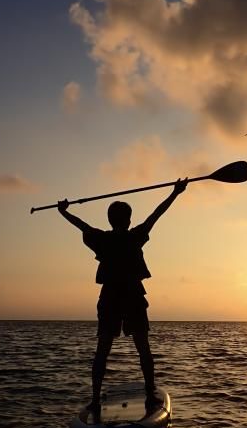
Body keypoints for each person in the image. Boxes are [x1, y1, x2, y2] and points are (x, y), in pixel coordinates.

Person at [57, 178, 187, 415]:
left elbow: (80, 225)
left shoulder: (102, 239)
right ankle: (149, 394)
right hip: (132, 296)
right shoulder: (134, 236)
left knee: (102, 349)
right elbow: (156, 215)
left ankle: (95, 399)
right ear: (128, 220)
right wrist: (175, 193)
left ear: (110, 220)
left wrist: (63, 212)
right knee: (142, 347)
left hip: (110, 298)